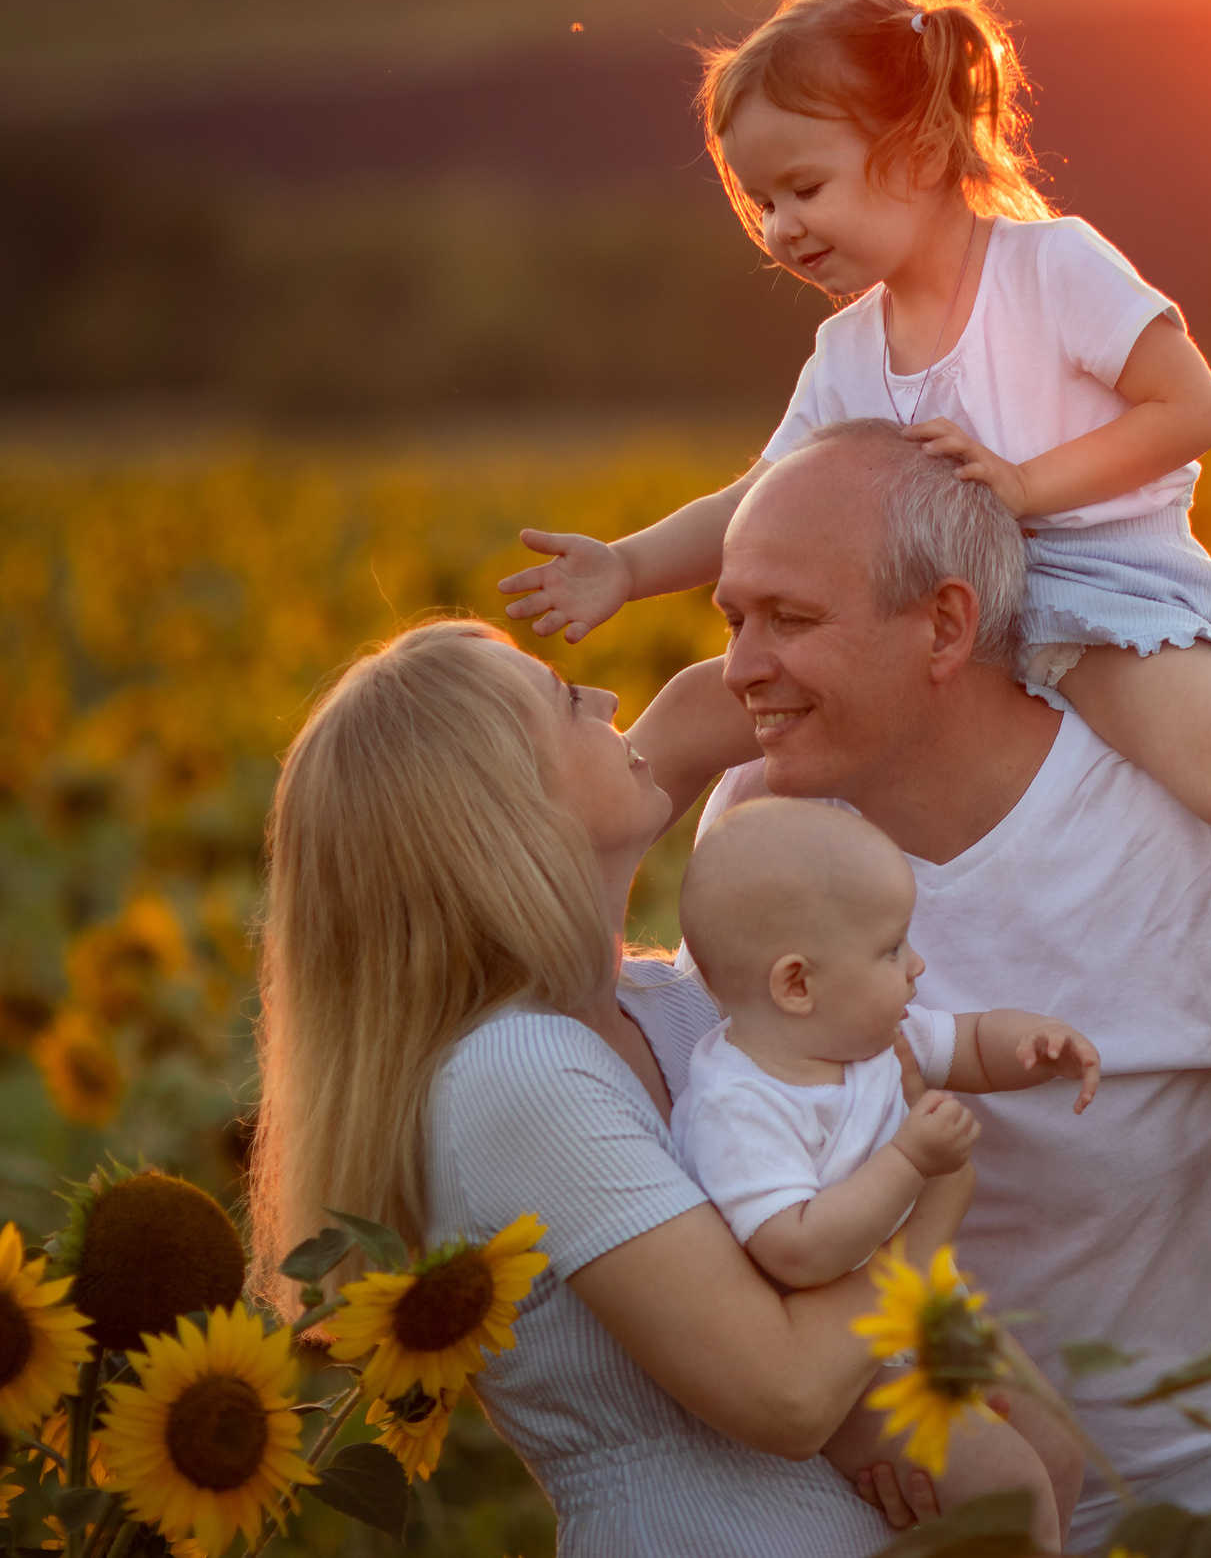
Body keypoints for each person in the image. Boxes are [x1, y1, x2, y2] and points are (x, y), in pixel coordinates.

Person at [496, 0, 1211, 1085]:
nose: (782, 226)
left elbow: (1188, 408)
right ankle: (551, 931)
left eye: (804, 187)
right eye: (761, 203)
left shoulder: (1051, 267)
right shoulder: (848, 350)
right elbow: (760, 498)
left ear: (919, 151)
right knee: (692, 708)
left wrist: (1027, 487)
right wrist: (629, 564)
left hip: (1099, 592)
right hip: (926, 618)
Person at [634, 420, 1211, 1546]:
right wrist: (860, 1419)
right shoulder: (765, 825)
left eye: (792, 619)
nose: (739, 668)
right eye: (733, 618)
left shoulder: (1187, 841)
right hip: (987, 1512)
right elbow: (747, 1137)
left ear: (946, 625)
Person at [247, 619, 910, 1556]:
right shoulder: (516, 1072)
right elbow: (789, 1393)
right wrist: (930, 1199)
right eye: (566, 698)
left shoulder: (671, 1004)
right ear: (498, 807)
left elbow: (695, 710)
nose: (607, 704)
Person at [671, 795, 1098, 1548]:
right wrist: (909, 1161)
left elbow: (963, 1043)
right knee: (1007, 1487)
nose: (918, 964)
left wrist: (1029, 1043)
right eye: (893, 948)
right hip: (851, 1362)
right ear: (796, 984)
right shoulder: (740, 1105)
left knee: (1060, 1449)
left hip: (931, 1311)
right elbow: (793, 1248)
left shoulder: (866, 1035)